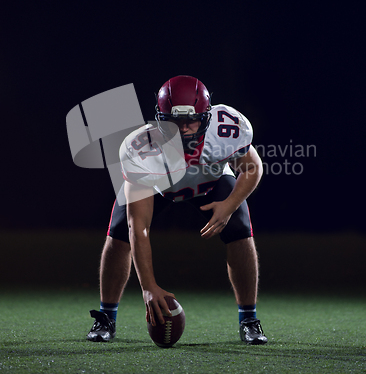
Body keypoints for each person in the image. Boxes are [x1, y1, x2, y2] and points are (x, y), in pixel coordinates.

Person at [87, 75, 267, 345]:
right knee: (119, 234)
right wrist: (148, 287)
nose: (184, 129)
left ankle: (249, 319)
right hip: (158, 187)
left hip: (211, 182)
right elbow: (140, 228)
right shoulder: (140, 149)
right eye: (175, 121)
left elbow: (253, 167)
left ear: (207, 117)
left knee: (240, 230)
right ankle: (106, 317)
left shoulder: (226, 128)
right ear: (159, 119)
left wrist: (229, 206)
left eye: (191, 120)